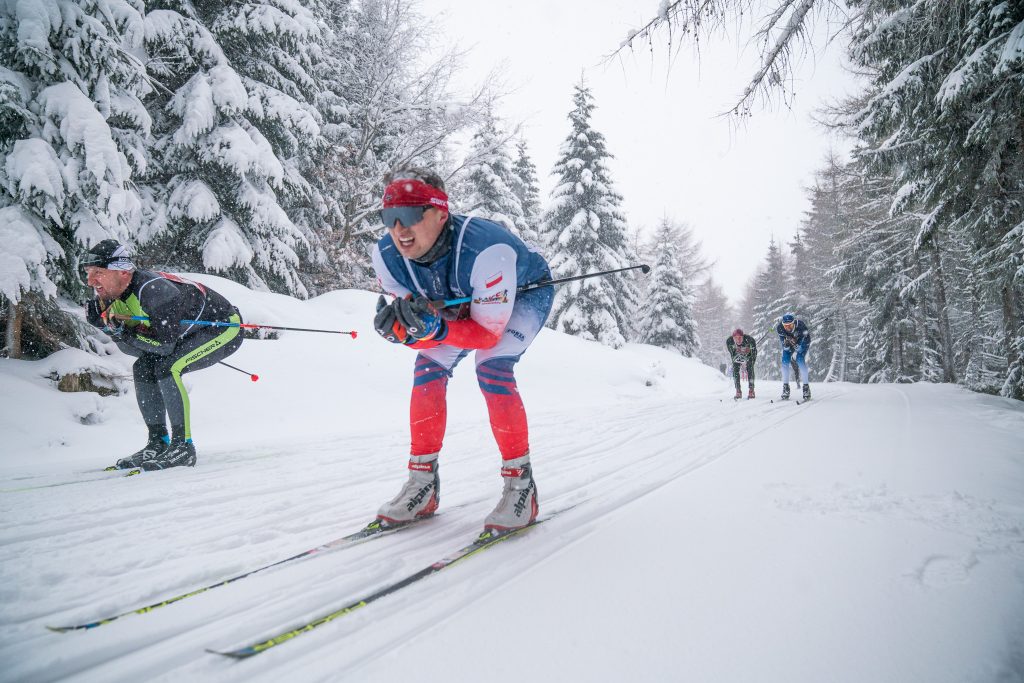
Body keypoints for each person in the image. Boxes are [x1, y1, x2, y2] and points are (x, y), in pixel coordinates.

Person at [370, 168, 553, 534]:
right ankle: (422, 485)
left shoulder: (488, 250)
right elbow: (426, 330)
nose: (399, 229)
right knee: (427, 367)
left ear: (440, 213)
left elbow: (485, 335)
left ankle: (521, 487)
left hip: (522, 295)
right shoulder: (386, 256)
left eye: (409, 216)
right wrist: (408, 335)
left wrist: (434, 328)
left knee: (492, 367)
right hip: (458, 302)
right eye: (388, 218)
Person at [81, 240, 243, 470]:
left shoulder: (154, 291)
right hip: (182, 335)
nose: (90, 281)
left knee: (169, 366)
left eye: (98, 272)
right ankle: (157, 442)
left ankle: (183, 446)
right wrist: (108, 327)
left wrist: (121, 331)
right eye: (88, 273)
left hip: (222, 326)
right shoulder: (111, 297)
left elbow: (163, 346)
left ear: (123, 272)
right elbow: (136, 349)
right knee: (143, 368)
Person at [776, 312, 811, 400]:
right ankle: (786, 388)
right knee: (785, 361)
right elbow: (782, 342)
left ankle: (806, 388)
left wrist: (799, 346)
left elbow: (805, 341)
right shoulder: (780, 328)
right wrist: (786, 346)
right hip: (790, 343)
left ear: (794, 323)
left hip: (802, 343)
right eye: (786, 326)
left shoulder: (801, 326)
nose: (788, 328)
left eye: (790, 325)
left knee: (799, 359)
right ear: (783, 325)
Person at [725, 328, 757, 399]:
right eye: (736, 338)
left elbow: (753, 353)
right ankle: (738, 390)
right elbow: (732, 356)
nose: (738, 340)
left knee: (750, 368)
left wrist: (748, 352)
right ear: (733, 338)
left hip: (749, 354)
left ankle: (751, 390)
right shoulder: (729, 341)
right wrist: (738, 352)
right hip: (736, 355)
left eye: (740, 338)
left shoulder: (749, 340)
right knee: (735, 369)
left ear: (743, 337)